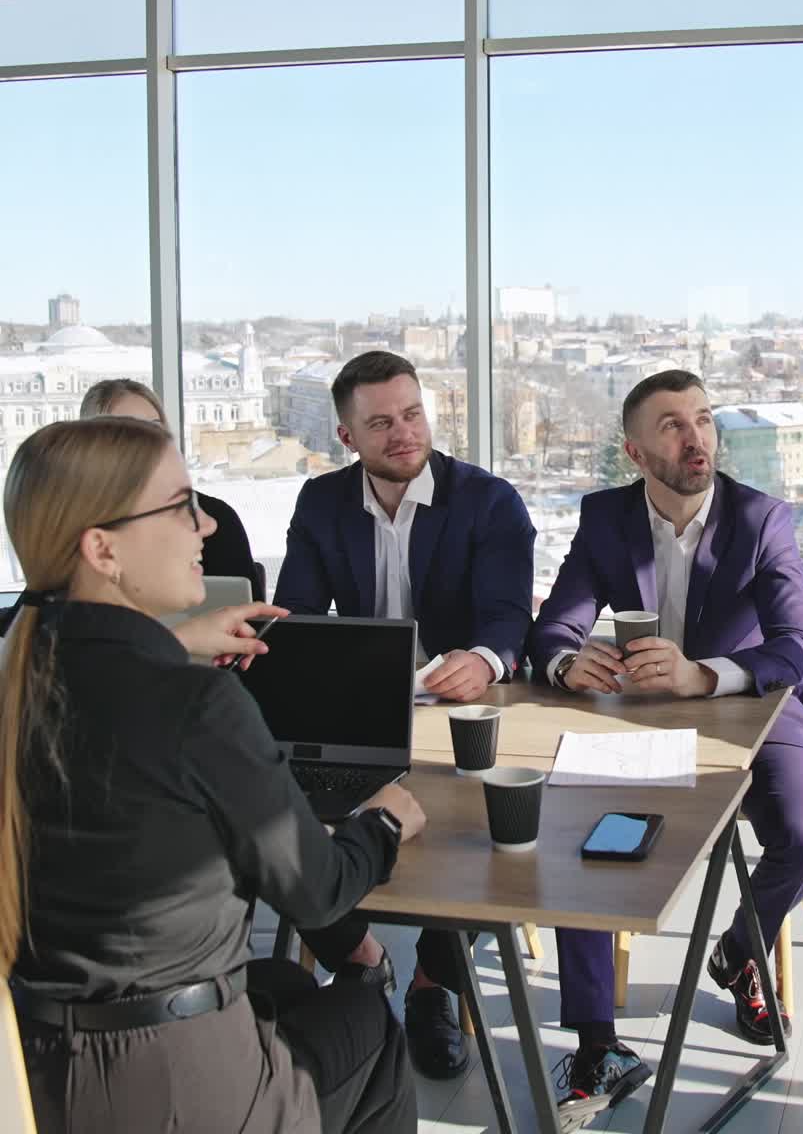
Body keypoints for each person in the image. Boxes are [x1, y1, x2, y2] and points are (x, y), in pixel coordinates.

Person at [1, 416, 424, 1134]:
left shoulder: (21, 677)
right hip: (176, 1090)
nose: (205, 525)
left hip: (33, 1071)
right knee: (369, 1021)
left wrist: (171, 642)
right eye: (180, 505)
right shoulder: (195, 706)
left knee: (286, 981)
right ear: (102, 548)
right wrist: (381, 823)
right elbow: (316, 889)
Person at [529, 369, 803, 1130]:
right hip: (639, 719)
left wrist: (707, 675)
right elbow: (557, 627)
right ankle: (598, 1043)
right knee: (580, 836)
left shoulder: (762, 519)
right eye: (671, 425)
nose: (695, 437)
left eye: (702, 419)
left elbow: (801, 648)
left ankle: (739, 951)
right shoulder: (605, 518)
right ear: (635, 451)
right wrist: (569, 662)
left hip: (752, 709)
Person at [274, 349, 536, 1080]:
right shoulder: (321, 503)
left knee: (492, 837)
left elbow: (510, 617)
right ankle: (358, 958)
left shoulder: (489, 501)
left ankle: (434, 984)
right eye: (380, 422)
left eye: (413, 414)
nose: (403, 433)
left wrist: (484, 657)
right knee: (273, 818)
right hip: (360, 716)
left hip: (469, 709)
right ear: (346, 436)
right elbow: (295, 619)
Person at [79, 378, 263, 601]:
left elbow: (254, 623)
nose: (150, 440)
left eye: (155, 427)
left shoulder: (216, 518)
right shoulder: (75, 526)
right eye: (129, 430)